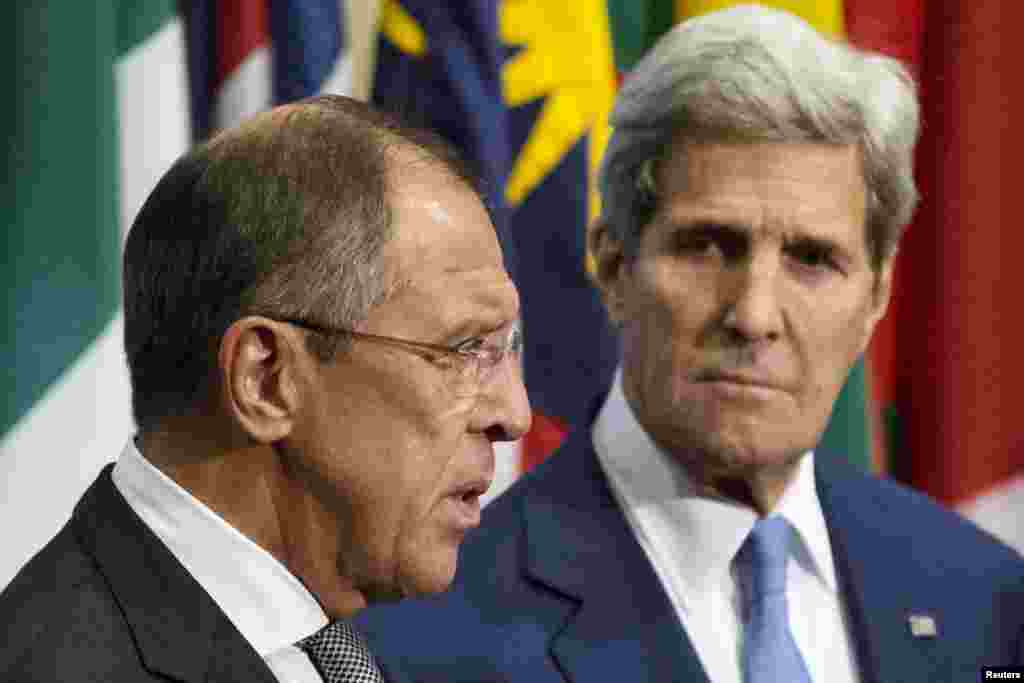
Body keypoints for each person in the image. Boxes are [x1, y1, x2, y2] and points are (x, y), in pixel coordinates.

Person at [354, 6, 1024, 682]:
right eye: (708, 245)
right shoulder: (424, 640)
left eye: (812, 259)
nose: (755, 314)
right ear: (614, 266)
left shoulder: (987, 600)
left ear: (875, 298)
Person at [0, 95, 530, 682]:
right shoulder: (66, 667)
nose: (515, 414)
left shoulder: (340, 639)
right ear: (266, 379)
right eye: (464, 349)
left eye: (506, 350)